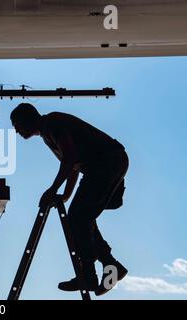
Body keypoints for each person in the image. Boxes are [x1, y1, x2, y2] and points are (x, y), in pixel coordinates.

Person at [10, 103, 129, 296]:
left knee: (78, 218)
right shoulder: (48, 131)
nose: (16, 130)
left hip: (107, 164)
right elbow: (72, 165)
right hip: (107, 164)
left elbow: (70, 159)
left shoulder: (52, 124)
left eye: (16, 124)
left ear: (27, 119)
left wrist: (52, 189)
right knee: (84, 217)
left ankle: (89, 276)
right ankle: (111, 266)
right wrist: (65, 195)